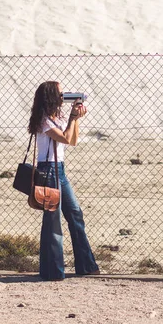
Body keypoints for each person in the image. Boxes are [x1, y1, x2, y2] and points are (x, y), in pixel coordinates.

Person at [28, 81, 100, 281]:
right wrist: (72, 118)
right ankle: (52, 271)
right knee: (53, 223)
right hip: (48, 170)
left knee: (75, 214)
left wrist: (75, 119)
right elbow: (66, 139)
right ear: (51, 96)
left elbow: (73, 140)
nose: (63, 97)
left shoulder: (56, 117)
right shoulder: (44, 120)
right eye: (60, 93)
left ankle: (86, 265)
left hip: (59, 171)